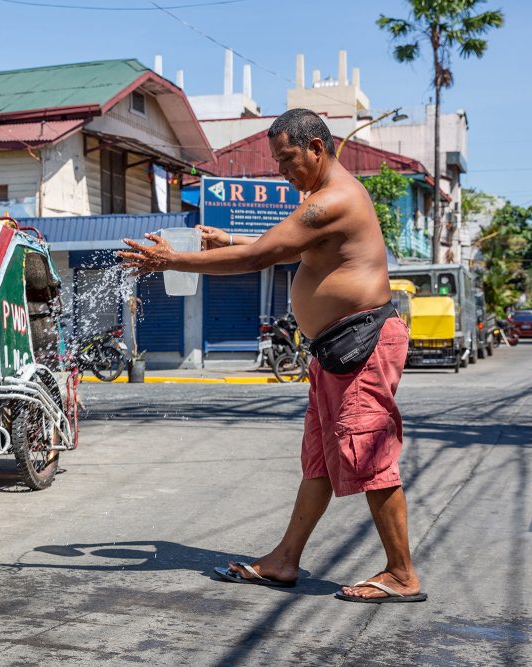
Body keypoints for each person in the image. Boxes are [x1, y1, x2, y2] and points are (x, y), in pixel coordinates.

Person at [119, 108, 425, 603]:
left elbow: (261, 257)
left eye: (287, 159)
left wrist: (173, 260)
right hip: (335, 348)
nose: (282, 170)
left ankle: (402, 573)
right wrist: (229, 239)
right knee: (321, 461)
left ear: (317, 149)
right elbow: (287, 249)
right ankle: (285, 559)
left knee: (367, 453)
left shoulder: (334, 199)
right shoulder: (320, 202)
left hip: (362, 342)